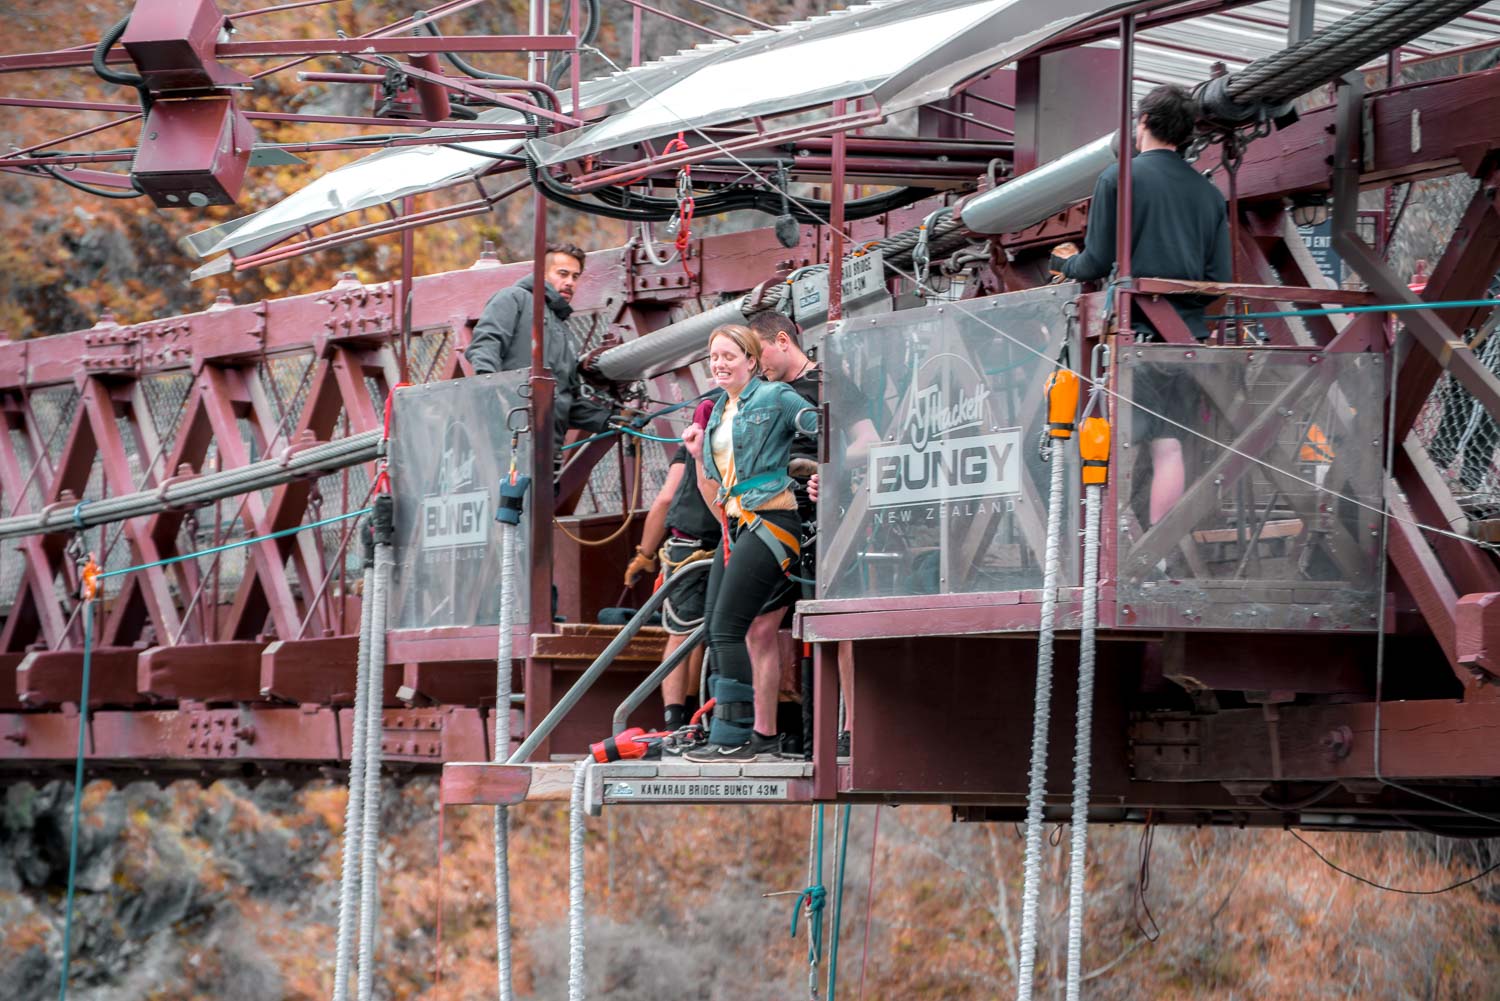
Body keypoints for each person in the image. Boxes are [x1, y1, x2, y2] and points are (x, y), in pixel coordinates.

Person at [1051, 83, 1231, 527]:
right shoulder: (1210, 194)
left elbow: (1096, 259)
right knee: (1168, 447)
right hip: (1186, 339)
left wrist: (1064, 263)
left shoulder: (1118, 178)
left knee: (1115, 437)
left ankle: (1104, 551)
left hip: (1134, 334)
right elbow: (1218, 280)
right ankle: (1157, 555)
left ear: (1144, 123)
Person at [679, 324, 815, 761]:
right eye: (714, 357)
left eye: (729, 356)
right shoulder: (718, 410)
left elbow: (827, 427)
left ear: (752, 361)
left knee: (728, 628)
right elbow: (716, 487)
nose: (719, 364)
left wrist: (824, 475)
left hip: (771, 520)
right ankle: (751, 736)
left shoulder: (775, 397)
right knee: (716, 628)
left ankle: (732, 735)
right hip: (736, 524)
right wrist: (700, 456)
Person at [748, 311, 879, 757]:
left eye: (758, 351)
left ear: (782, 340)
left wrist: (832, 468)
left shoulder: (831, 384)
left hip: (825, 514)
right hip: (771, 518)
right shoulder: (760, 394)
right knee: (761, 621)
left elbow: (870, 441)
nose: (754, 362)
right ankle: (767, 732)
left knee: (838, 620)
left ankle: (850, 729)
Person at [624, 392, 724, 734]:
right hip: (721, 542)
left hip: (689, 542)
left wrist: (645, 554)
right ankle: (692, 720)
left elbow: (666, 497)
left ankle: (677, 720)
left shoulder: (698, 432)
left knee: (682, 633)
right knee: (697, 633)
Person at [465, 242, 613, 457]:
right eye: (563, 274)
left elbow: (566, 400)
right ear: (541, 273)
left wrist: (610, 419)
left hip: (547, 452)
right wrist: (496, 396)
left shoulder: (564, 333)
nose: (570, 282)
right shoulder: (513, 299)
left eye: (575, 276)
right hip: (506, 445)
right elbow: (485, 347)